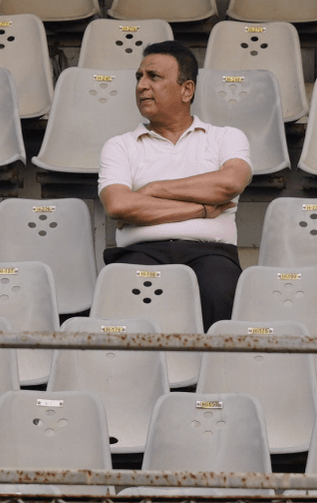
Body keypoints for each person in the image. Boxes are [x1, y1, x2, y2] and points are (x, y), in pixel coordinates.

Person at [97, 40, 252, 329]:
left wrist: (152, 189)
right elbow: (120, 205)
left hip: (210, 253)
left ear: (186, 89)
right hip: (141, 253)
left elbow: (229, 183)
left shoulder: (225, 137)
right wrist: (202, 211)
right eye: (139, 77)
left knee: (220, 291)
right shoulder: (120, 145)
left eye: (153, 76)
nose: (142, 85)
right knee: (122, 300)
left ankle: (212, 373)